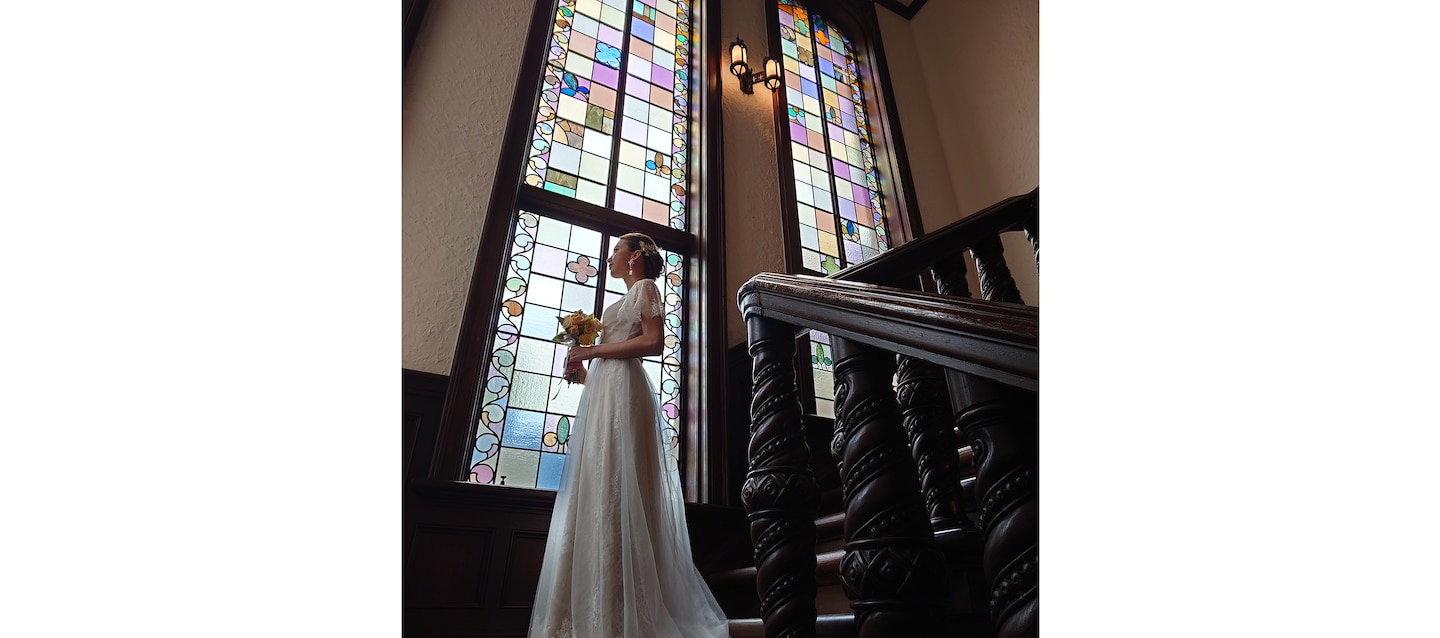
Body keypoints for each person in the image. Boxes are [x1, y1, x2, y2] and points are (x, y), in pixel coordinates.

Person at [526, 233, 729, 638]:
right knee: (600, 488)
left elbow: (653, 342)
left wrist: (591, 352)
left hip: (629, 395)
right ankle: (593, 606)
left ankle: (625, 611)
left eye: (616, 249)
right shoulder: (614, 305)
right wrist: (583, 372)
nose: (610, 256)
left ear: (635, 256)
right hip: (606, 397)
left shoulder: (645, 289)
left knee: (621, 486)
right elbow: (610, 364)